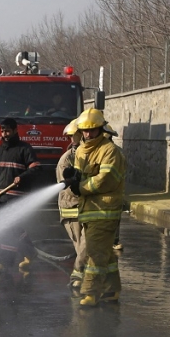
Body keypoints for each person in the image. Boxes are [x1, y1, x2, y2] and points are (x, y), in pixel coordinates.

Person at [62, 108, 126, 307]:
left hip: (105, 211)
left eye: (93, 130)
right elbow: (83, 178)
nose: (88, 134)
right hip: (88, 210)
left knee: (94, 253)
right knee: (105, 253)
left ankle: (91, 292)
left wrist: (80, 187)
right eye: (85, 131)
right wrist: (73, 178)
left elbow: (104, 180)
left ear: (101, 129)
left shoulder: (110, 151)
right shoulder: (81, 150)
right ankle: (111, 290)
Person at [0, 117, 40, 273]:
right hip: (0, 197)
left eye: (8, 130)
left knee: (9, 228)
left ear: (16, 130)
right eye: (2, 131)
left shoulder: (25, 149)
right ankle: (29, 252)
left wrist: (21, 177)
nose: (5, 134)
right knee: (11, 229)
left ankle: (5, 262)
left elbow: (36, 168)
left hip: (17, 196)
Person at [56, 119, 85, 294]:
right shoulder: (67, 159)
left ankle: (85, 277)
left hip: (84, 207)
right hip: (71, 208)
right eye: (76, 135)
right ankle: (78, 277)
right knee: (81, 245)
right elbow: (66, 187)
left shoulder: (84, 154)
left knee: (87, 245)